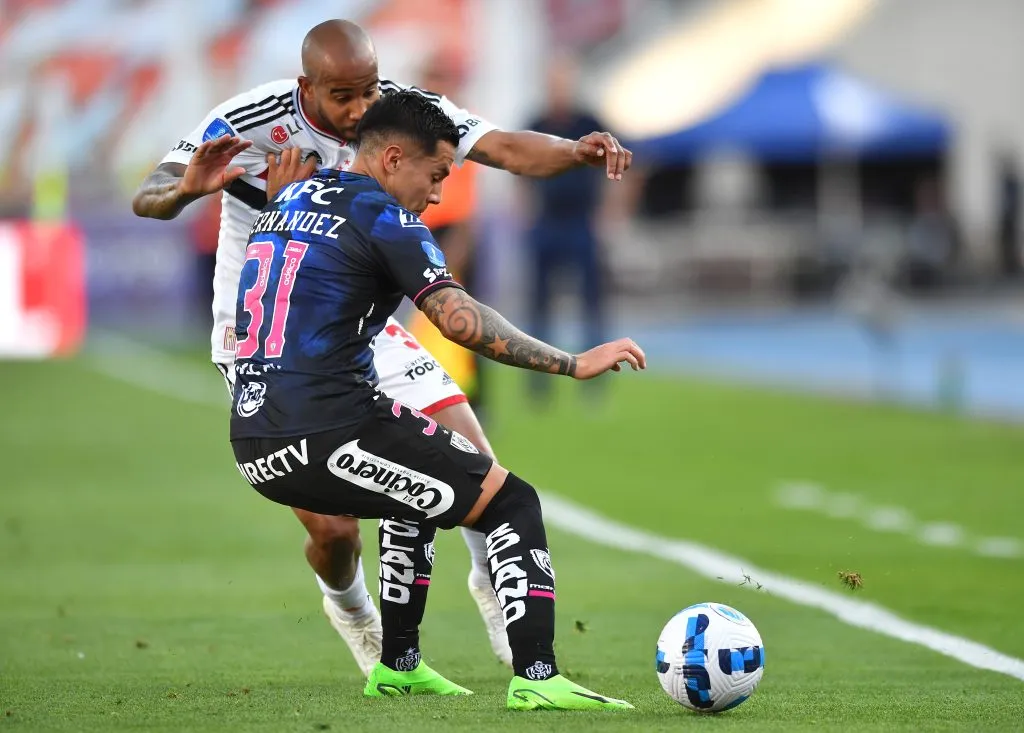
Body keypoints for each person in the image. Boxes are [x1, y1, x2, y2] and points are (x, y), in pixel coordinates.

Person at [131, 19, 632, 677]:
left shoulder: (393, 115)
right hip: (266, 338)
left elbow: (503, 147)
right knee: (335, 532)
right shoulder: (246, 119)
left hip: (363, 326)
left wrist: (575, 152)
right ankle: (354, 611)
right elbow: (150, 193)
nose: (358, 109)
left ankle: (502, 610)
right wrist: (185, 191)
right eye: (342, 96)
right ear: (306, 86)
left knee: (481, 467)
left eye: (366, 90)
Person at [231, 89, 644, 710]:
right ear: (393, 158)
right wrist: (572, 362)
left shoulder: (291, 195)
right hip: (326, 428)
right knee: (511, 500)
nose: (438, 193)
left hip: (254, 437)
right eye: (436, 174)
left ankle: (398, 664)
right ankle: (538, 677)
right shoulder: (384, 218)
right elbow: (458, 320)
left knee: (413, 488)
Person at [522, 53, 610, 401]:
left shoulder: (588, 122)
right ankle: (539, 382)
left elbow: (619, 164)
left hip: (580, 223)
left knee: (590, 305)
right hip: (547, 223)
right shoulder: (537, 120)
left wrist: (608, 212)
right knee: (540, 306)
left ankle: (596, 382)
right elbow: (519, 167)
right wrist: (525, 210)